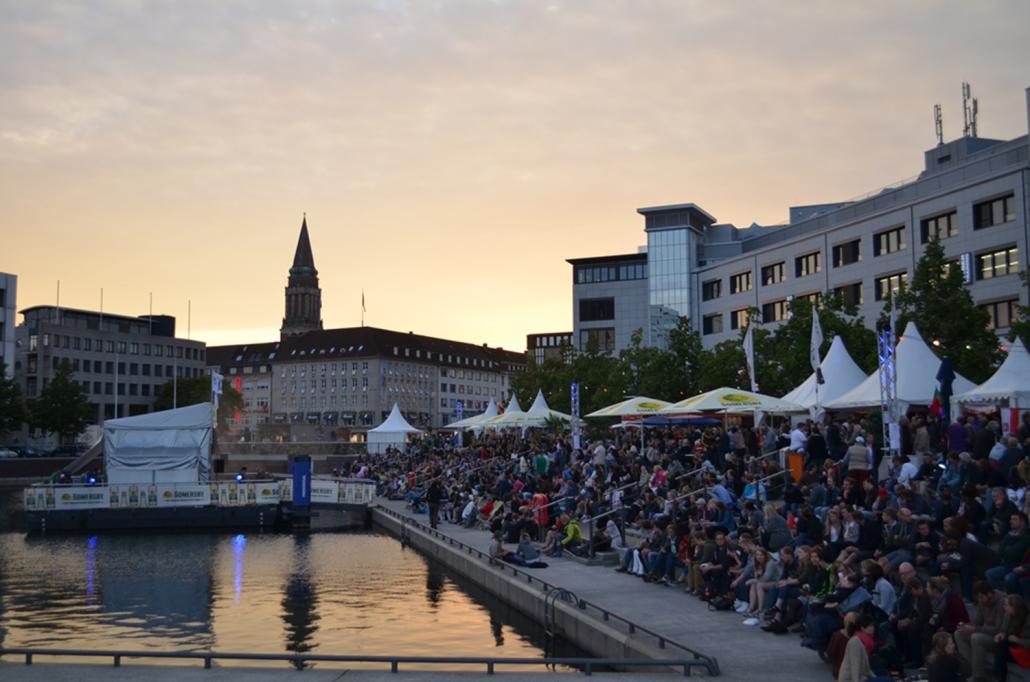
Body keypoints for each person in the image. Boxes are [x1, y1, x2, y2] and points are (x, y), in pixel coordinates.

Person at [955, 582, 1005, 681]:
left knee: (976, 638)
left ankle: (978, 676)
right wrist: (966, 626)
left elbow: (998, 629)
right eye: (978, 598)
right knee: (958, 633)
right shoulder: (982, 602)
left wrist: (975, 629)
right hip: (985, 632)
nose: (979, 600)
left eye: (981, 597)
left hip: (998, 638)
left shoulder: (1002, 602)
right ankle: (971, 668)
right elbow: (977, 620)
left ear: (989, 594)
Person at [993, 594, 1030, 682]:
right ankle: (1000, 677)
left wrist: (1017, 640)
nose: (1004, 607)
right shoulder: (1008, 616)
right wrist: (1001, 634)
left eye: (1006, 605)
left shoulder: (1028, 620)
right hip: (1015, 646)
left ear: (1014, 607)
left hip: (1026, 651)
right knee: (1000, 645)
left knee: (1000, 649)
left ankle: (999, 677)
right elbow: (1004, 632)